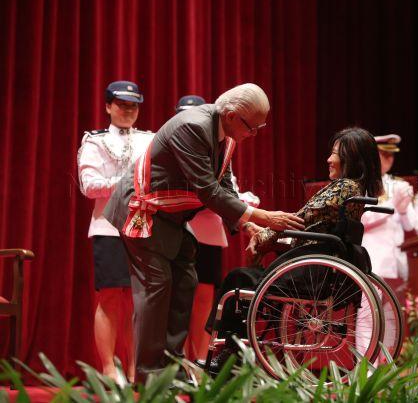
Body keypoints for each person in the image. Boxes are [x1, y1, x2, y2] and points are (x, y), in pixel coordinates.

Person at [103, 83, 305, 382]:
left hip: (169, 218)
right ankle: (149, 376)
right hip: (142, 212)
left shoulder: (226, 133)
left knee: (186, 281)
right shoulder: (193, 126)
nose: (255, 134)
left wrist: (248, 223)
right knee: (156, 289)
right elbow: (207, 189)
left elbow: (224, 185)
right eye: (253, 127)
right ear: (233, 115)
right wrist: (264, 216)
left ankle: (170, 365)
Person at [202, 127, 383, 372]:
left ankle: (226, 357)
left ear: (351, 157)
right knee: (245, 279)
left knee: (238, 279)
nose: (328, 160)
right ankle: (234, 354)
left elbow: (301, 219)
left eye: (334, 154)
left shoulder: (345, 187)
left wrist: (265, 236)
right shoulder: (353, 190)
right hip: (314, 266)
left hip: (310, 273)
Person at [174, 95, 261, 361]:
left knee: (204, 300)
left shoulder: (223, 144)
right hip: (179, 228)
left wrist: (246, 216)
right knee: (177, 299)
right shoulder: (178, 140)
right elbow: (204, 190)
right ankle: (175, 360)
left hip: (209, 233)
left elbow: (226, 188)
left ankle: (198, 359)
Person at [77, 80, 154, 382]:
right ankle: (109, 370)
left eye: (133, 105)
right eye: (121, 104)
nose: (128, 110)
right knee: (109, 298)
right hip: (108, 227)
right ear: (108, 106)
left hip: (142, 227)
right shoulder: (95, 142)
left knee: (138, 301)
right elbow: (88, 187)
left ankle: (135, 369)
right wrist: (126, 183)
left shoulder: (150, 139)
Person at [360, 134, 418, 290]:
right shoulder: (361, 184)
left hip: (397, 260)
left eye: (391, 154)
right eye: (384, 154)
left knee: (394, 314)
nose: (389, 159)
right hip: (374, 256)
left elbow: (409, 226)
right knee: (370, 312)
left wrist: (403, 211)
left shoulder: (399, 184)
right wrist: (393, 204)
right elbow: (363, 219)